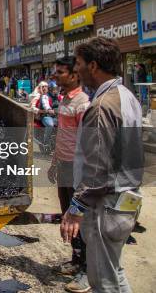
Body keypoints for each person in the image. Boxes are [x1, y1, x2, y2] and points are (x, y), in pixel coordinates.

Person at [61, 37, 143, 293]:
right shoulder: (126, 95)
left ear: (93, 66)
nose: (77, 69)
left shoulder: (101, 106)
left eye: (79, 63)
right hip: (127, 200)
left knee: (103, 282)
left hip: (106, 205)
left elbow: (97, 169)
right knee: (114, 273)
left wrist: (75, 208)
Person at [47, 56, 90, 293]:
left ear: (74, 75)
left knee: (79, 219)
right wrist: (54, 163)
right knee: (67, 216)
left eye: (61, 72)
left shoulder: (83, 103)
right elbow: (62, 135)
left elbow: (88, 142)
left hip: (76, 169)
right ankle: (76, 259)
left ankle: (87, 270)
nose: (56, 76)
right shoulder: (64, 99)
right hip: (63, 165)